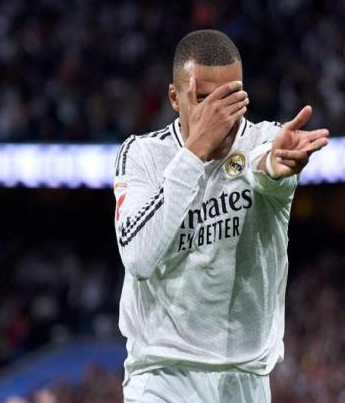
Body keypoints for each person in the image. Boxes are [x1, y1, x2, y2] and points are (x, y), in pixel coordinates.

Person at [113, 29, 329, 402]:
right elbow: (138, 257)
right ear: (174, 97)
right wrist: (195, 150)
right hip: (164, 377)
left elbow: (266, 166)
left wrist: (276, 168)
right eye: (203, 98)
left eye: (230, 97)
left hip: (246, 380)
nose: (219, 112)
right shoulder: (142, 155)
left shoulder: (268, 141)